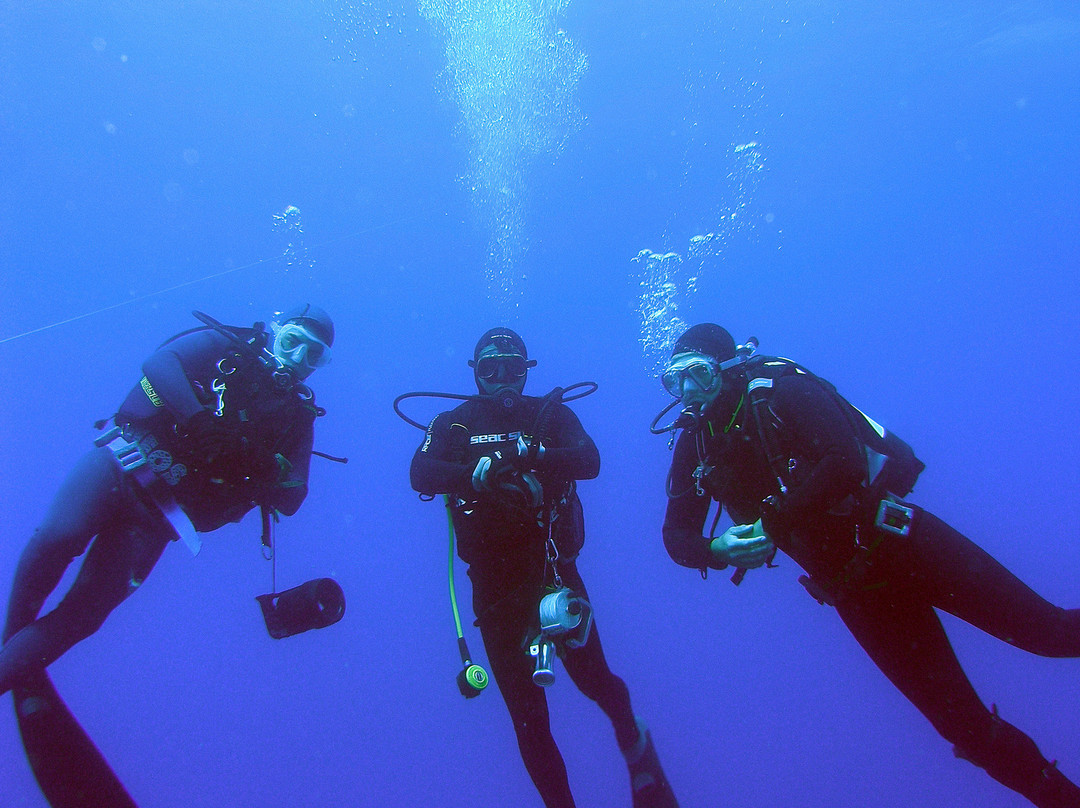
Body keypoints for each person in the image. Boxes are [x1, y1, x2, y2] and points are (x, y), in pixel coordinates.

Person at [656, 323, 1080, 808]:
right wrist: (716, 549)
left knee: (1051, 634)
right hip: (855, 592)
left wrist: (773, 523)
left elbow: (844, 464)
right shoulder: (697, 443)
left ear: (727, 368)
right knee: (964, 728)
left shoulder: (782, 390)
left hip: (906, 543)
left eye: (699, 375)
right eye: (674, 380)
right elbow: (675, 537)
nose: (688, 392)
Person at [0, 304, 334, 697]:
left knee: (86, 614)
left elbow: (294, 496)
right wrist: (199, 419)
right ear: (276, 331)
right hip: (124, 462)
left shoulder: (298, 417)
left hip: (161, 517)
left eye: (314, 355)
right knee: (57, 540)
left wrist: (262, 466)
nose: (298, 359)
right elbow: (159, 363)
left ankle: (15, 657)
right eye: (293, 342)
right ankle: (13, 646)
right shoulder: (226, 346)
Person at [410, 327, 677, 808]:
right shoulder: (452, 423)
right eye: (490, 369)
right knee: (528, 717)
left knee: (595, 680)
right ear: (475, 374)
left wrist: (530, 454)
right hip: (492, 589)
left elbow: (589, 460)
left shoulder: (551, 415)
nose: (503, 380)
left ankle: (634, 744)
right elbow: (420, 473)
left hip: (556, 573)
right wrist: (476, 476)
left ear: (527, 369)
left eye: (513, 367)